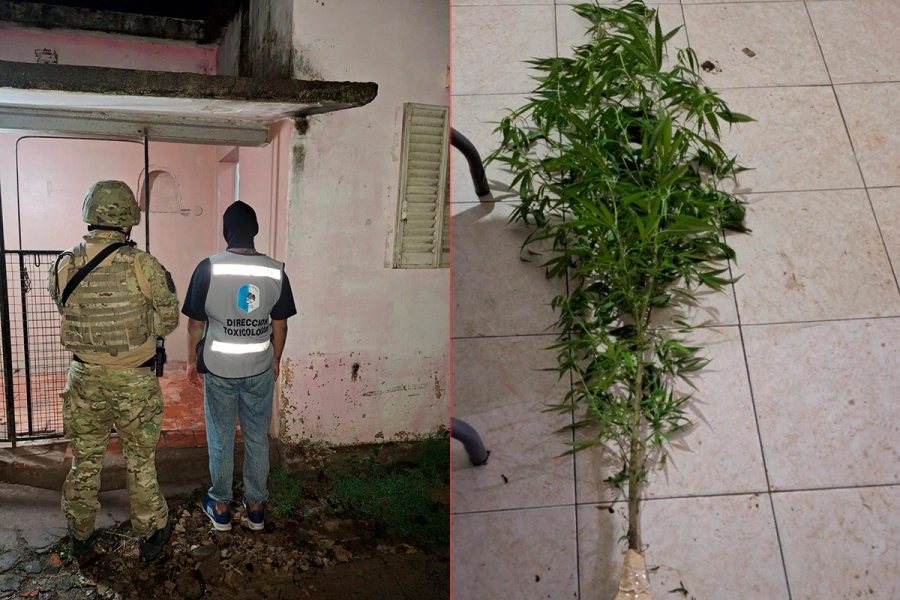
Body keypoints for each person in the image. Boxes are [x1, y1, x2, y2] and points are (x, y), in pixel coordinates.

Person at [49, 180, 179, 561]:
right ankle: (152, 534)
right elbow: (168, 318)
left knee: (85, 458)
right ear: (128, 221)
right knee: (140, 459)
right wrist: (140, 332)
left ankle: (81, 535)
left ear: (91, 216)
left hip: (85, 379)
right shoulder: (144, 264)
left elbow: (64, 307)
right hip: (134, 381)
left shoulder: (64, 262)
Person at [182, 201, 296, 532]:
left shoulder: (209, 268)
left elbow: (194, 325)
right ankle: (256, 508)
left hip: (219, 370)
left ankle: (220, 507)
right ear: (255, 231)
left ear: (225, 232)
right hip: (259, 369)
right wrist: (275, 360)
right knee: (257, 437)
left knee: (220, 437)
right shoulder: (276, 270)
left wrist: (192, 361)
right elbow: (281, 326)